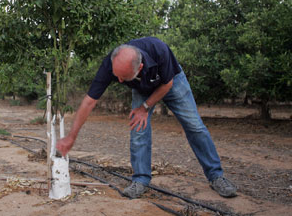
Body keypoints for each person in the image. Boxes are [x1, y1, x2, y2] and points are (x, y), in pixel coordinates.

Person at [56, 36, 237, 198]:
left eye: (123, 77)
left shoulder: (159, 50)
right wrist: (72, 136)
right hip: (142, 89)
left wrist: (144, 108)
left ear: (140, 67)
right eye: (116, 76)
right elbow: (89, 101)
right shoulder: (111, 64)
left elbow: (167, 85)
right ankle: (140, 180)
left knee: (194, 126)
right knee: (138, 129)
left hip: (172, 82)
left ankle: (216, 177)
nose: (119, 81)